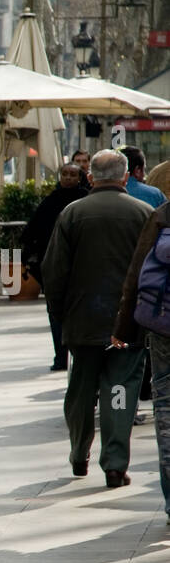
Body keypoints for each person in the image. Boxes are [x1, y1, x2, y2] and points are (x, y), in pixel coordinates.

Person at [43, 148, 155, 487]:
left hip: (83, 321)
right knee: (119, 391)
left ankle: (79, 453)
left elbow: (54, 271)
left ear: (90, 177)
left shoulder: (72, 214)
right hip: (128, 323)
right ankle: (115, 463)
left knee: (81, 389)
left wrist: (61, 313)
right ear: (125, 177)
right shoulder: (144, 213)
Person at [111, 198, 170, 523]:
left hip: (163, 327)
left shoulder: (162, 214)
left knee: (164, 408)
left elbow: (136, 275)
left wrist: (124, 328)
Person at [23, 163, 88, 371]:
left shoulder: (86, 200)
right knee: (55, 312)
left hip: (80, 267)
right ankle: (60, 356)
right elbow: (32, 233)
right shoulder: (50, 202)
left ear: (80, 177)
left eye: (73, 175)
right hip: (54, 268)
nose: (68, 178)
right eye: (65, 174)